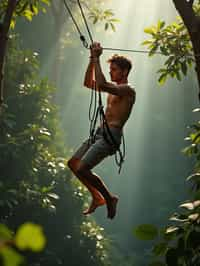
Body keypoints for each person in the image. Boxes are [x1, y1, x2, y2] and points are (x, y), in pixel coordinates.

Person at [68, 42, 136, 219]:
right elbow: (87, 83)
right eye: (111, 69)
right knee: (73, 164)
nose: (111, 72)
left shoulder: (127, 90)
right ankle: (97, 197)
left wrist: (97, 58)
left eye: (114, 69)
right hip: (99, 133)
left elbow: (102, 83)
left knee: (82, 169)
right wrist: (92, 59)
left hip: (110, 136)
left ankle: (109, 198)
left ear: (125, 72)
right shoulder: (113, 89)